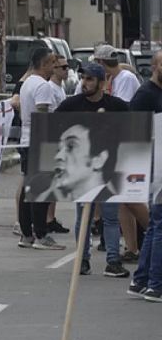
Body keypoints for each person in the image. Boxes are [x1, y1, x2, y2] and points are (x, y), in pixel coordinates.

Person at [54, 63, 129, 277]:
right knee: (83, 217)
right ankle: (83, 260)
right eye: (83, 78)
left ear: (101, 82)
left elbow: (133, 127)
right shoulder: (71, 104)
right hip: (82, 170)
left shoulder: (117, 105)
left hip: (109, 168)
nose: (84, 83)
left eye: (89, 79)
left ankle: (113, 261)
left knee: (111, 217)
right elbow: (52, 126)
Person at [16, 48, 65, 250]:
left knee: (29, 188)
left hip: (27, 140)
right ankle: (41, 234)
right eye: (53, 63)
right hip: (40, 141)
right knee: (41, 190)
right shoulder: (43, 86)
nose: (54, 67)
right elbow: (43, 116)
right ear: (44, 64)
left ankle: (26, 234)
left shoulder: (27, 83)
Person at [128, 50, 162, 301]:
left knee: (155, 226)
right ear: (154, 66)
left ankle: (141, 280)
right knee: (159, 227)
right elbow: (135, 134)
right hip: (155, 169)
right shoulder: (145, 95)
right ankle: (156, 284)